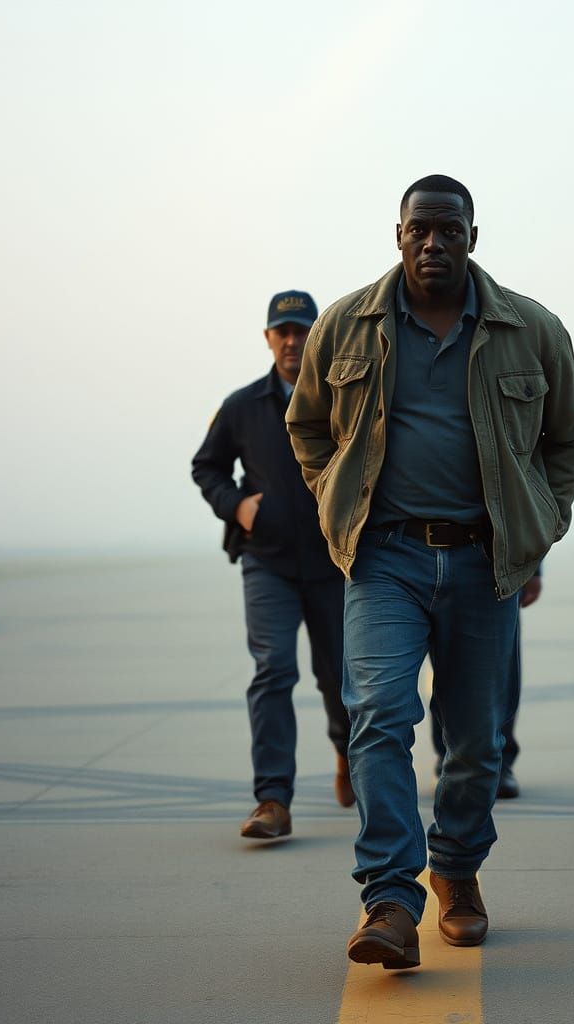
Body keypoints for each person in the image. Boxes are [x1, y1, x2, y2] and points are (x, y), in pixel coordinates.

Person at [287, 175, 574, 968]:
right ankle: (390, 898)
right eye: (419, 229)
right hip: (383, 558)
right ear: (398, 236)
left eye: (448, 230)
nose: (433, 243)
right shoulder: (344, 325)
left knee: (476, 743)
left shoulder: (531, 328)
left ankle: (457, 870)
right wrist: (334, 499)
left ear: (472, 237)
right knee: (379, 716)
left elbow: (570, 433)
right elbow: (308, 424)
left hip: (482, 561)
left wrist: (541, 521)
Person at [191, 290, 353, 842]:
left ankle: (344, 753)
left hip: (336, 563)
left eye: (302, 329)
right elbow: (206, 466)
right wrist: (235, 505)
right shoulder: (241, 406)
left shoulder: (343, 399)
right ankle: (272, 800)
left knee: (339, 677)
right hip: (268, 565)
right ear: (267, 338)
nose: (292, 340)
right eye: (281, 331)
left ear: (317, 337)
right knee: (273, 670)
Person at [430, 569, 543, 799]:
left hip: (490, 558)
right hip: (398, 555)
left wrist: (532, 565)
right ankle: (449, 758)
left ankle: (497, 761)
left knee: (493, 670)